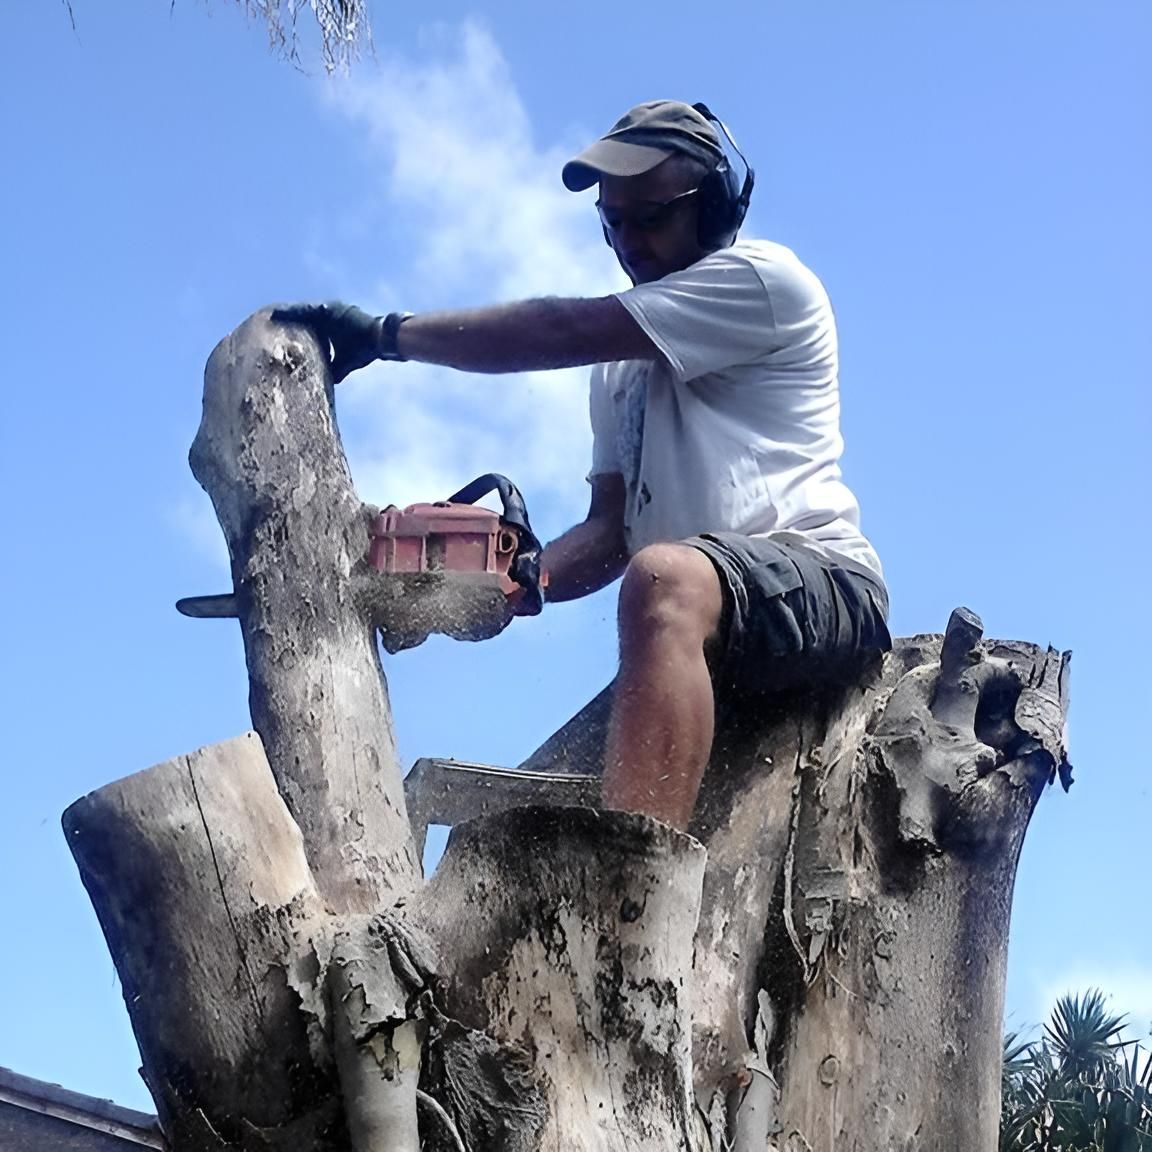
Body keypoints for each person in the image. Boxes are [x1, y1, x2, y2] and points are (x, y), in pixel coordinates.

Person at [274, 99, 890, 832]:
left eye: (652, 216)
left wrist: (388, 336)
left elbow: (561, 328)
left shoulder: (760, 280)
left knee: (665, 579)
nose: (630, 242)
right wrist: (515, 582)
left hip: (821, 588)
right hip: (695, 619)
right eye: (614, 221)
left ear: (718, 205)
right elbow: (611, 533)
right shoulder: (620, 375)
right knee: (503, 829)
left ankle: (637, 891)